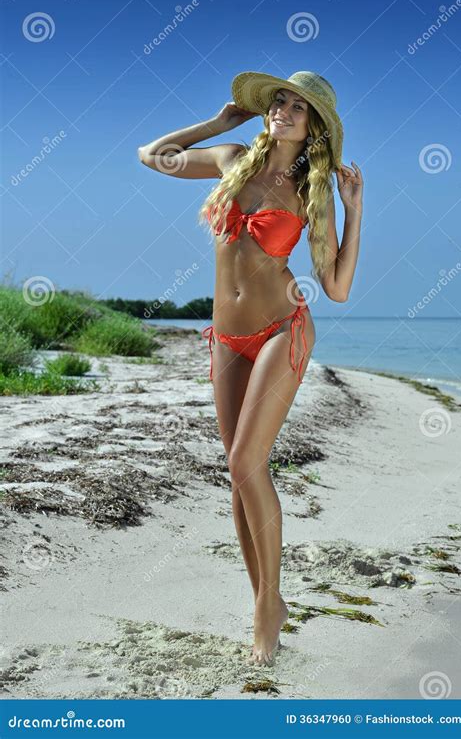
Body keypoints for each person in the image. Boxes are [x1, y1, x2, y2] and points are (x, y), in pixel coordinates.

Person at [138, 70, 363, 667]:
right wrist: (216, 124)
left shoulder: (310, 192)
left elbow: (336, 287)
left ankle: (269, 607)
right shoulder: (231, 159)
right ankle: (263, 597)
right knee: (237, 474)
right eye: (280, 101)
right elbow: (151, 156)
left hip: (281, 329)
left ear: (314, 126)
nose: (284, 111)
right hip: (226, 337)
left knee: (245, 462)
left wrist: (352, 211)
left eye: (298, 108)